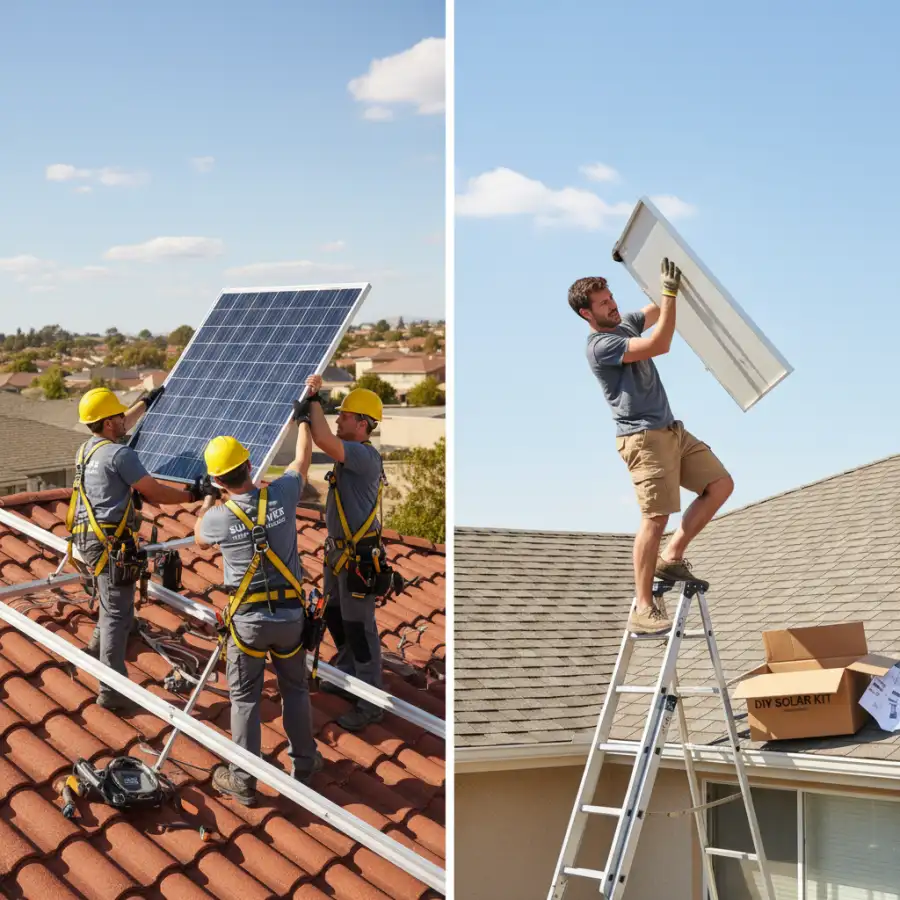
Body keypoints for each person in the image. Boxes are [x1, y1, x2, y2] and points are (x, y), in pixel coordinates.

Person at [568, 258, 735, 634]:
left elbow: (657, 308)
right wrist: (671, 293)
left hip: (671, 430)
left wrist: (677, 283)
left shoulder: (623, 323)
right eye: (603, 303)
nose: (612, 305)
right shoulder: (601, 346)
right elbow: (660, 343)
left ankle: (672, 555)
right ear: (586, 313)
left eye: (611, 298)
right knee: (655, 518)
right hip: (642, 438)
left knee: (720, 485)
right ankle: (643, 607)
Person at [194, 406, 322, 806]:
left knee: (246, 699)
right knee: (295, 691)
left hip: (248, 625)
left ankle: (243, 780)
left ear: (217, 479)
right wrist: (304, 419)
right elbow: (301, 459)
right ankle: (305, 762)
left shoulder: (217, 517)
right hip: (289, 619)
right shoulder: (282, 492)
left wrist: (209, 500)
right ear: (251, 464)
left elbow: (198, 537)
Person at [69, 386, 204, 711]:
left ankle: (94, 650)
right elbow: (154, 492)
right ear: (108, 422)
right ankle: (111, 690)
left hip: (86, 538)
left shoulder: (87, 449)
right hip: (110, 543)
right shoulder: (121, 455)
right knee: (116, 612)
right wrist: (193, 495)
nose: (123, 419)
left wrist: (144, 401)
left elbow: (120, 421)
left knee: (110, 599)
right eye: (118, 415)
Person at [303, 374, 387, 732]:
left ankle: (370, 700)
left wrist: (314, 400)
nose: (338, 420)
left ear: (362, 423)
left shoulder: (363, 456)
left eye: (345, 415)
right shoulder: (350, 455)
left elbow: (322, 438)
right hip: (337, 556)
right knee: (336, 618)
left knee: (359, 627)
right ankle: (348, 672)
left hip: (357, 558)